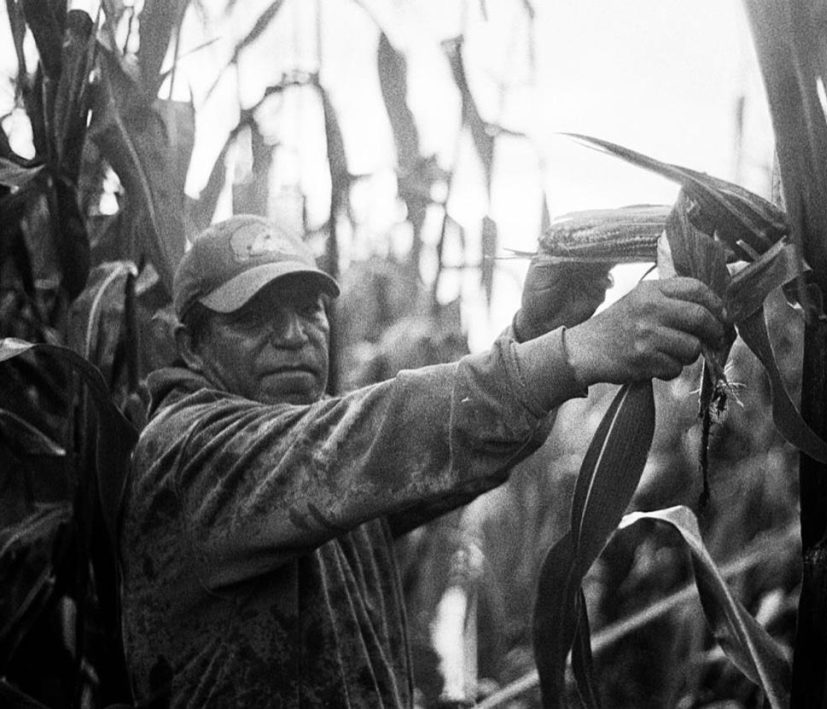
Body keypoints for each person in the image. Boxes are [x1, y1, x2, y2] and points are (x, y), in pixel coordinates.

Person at [120, 214, 727, 707]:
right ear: (188, 345)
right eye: (253, 316)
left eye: (308, 308)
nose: (293, 334)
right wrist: (577, 350)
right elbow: (370, 437)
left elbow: (429, 456)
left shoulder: (308, 468)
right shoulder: (188, 454)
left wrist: (540, 330)